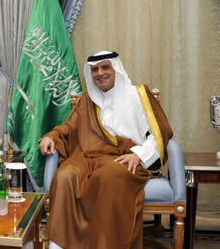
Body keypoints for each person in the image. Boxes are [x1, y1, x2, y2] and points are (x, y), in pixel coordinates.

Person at [39, 51, 173, 249]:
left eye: (105, 67)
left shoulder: (138, 95)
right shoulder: (87, 100)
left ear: (116, 69)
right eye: (95, 70)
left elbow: (160, 132)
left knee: (109, 177)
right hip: (87, 157)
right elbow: (69, 127)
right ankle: (59, 246)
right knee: (65, 175)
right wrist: (51, 136)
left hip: (124, 158)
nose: (100, 73)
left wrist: (139, 155)